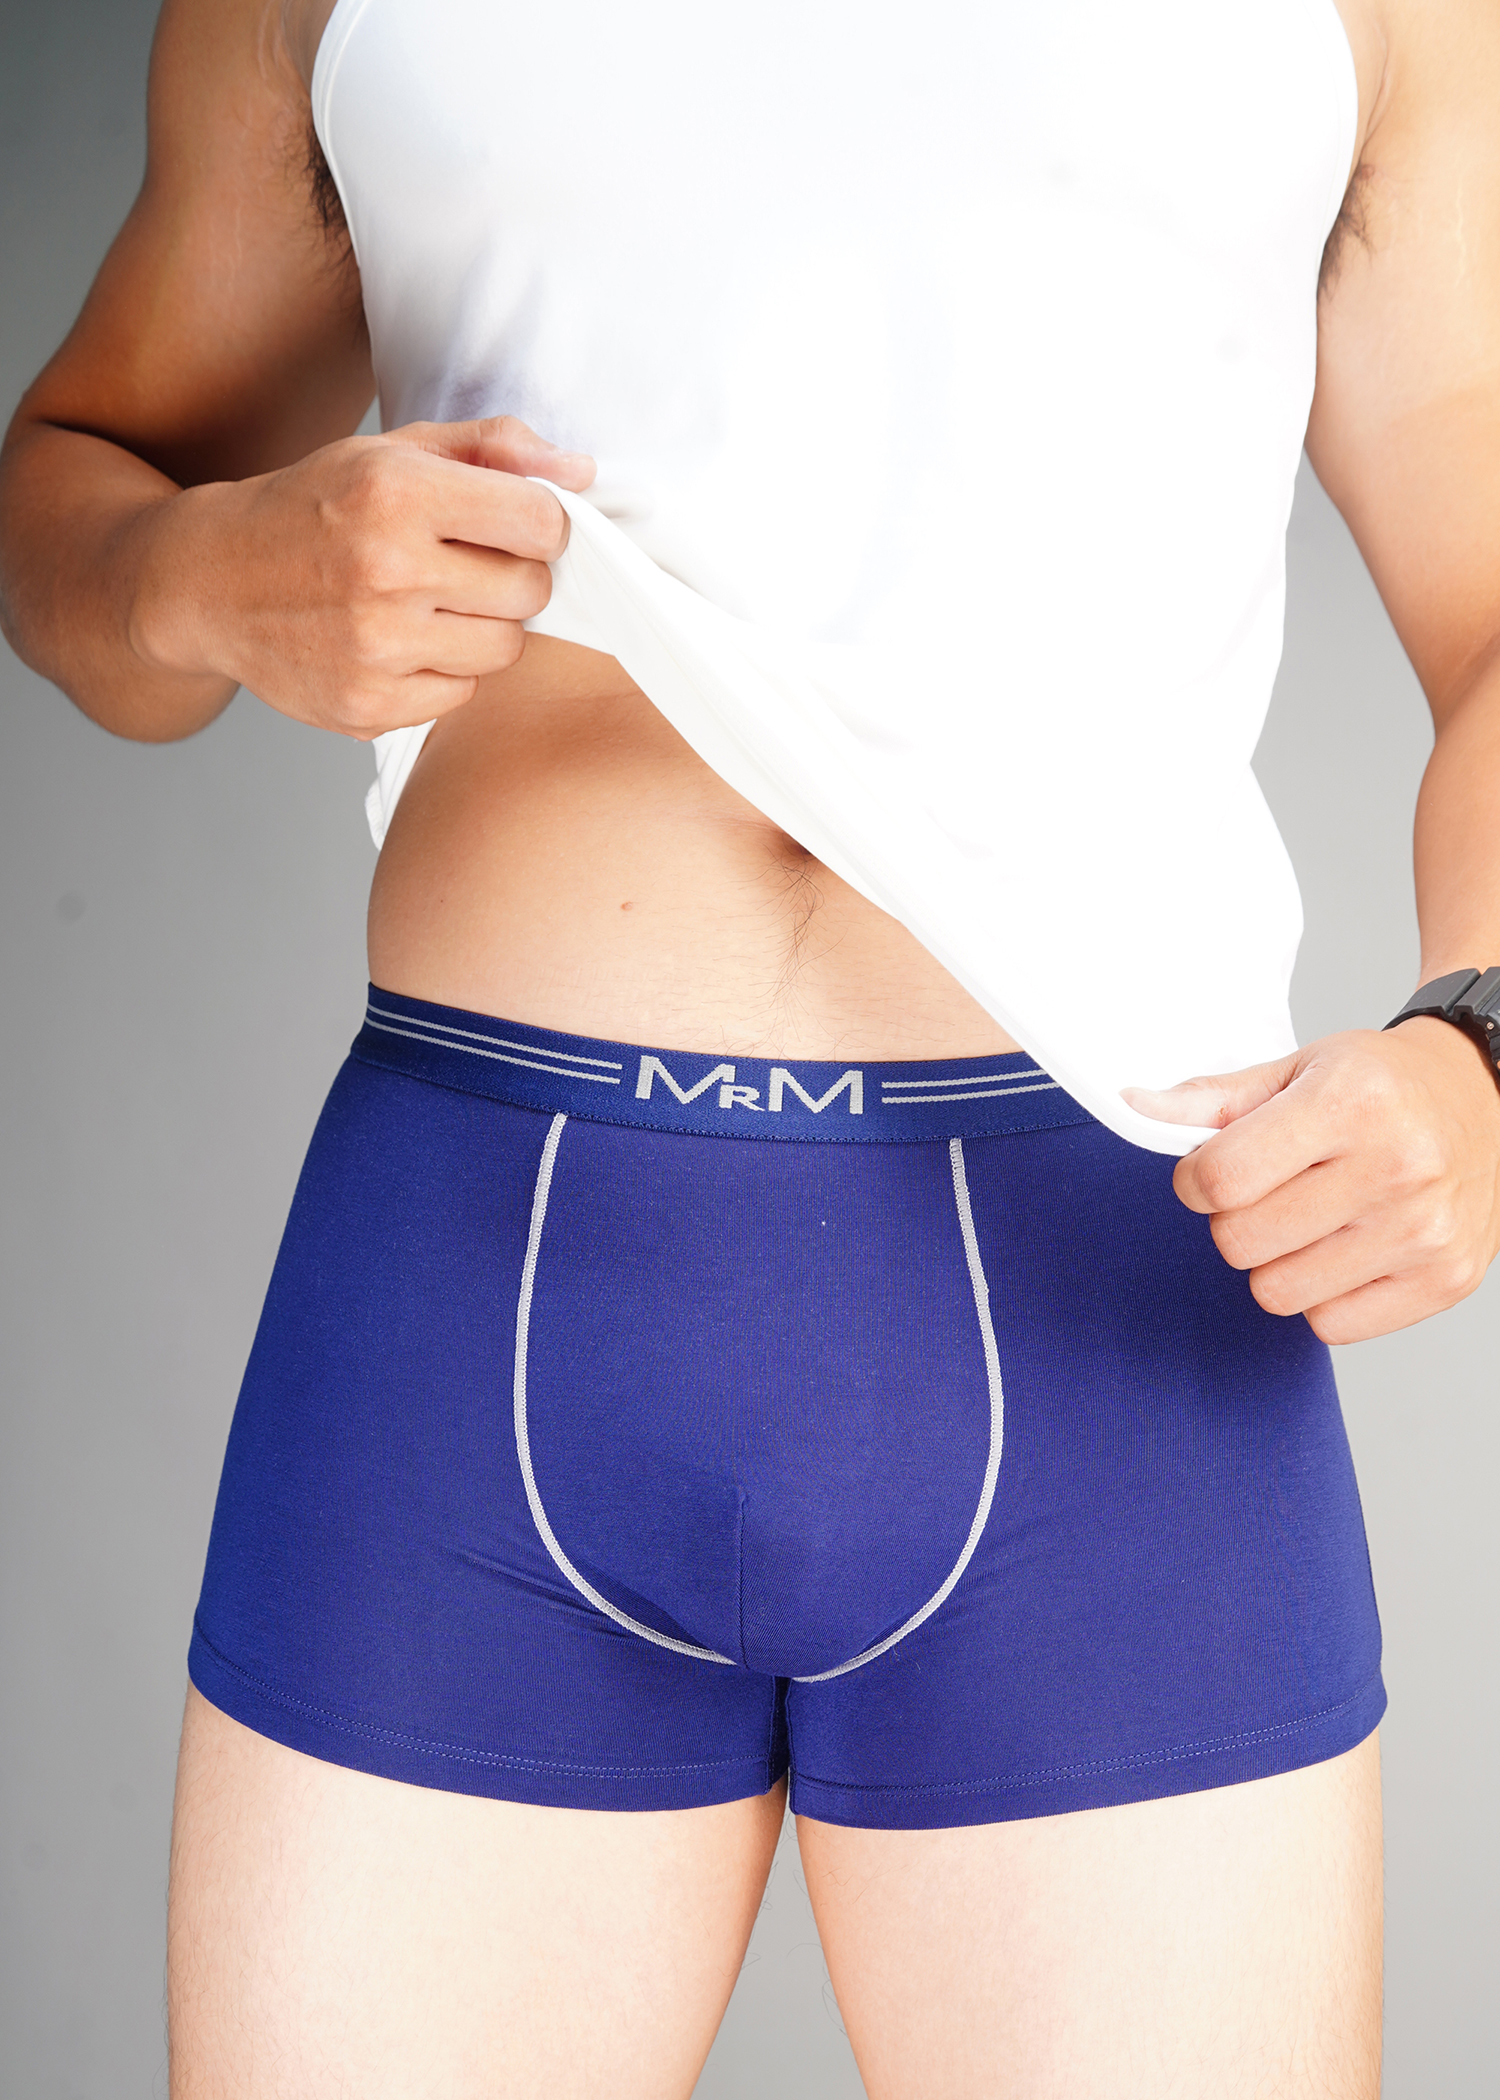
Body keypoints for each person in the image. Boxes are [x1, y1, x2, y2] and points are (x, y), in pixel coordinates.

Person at [2, 0, 1498, 2090]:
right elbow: (79, 481)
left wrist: (1482, 1037)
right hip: (489, 1287)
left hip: (1122, 1296)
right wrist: (203, 576)